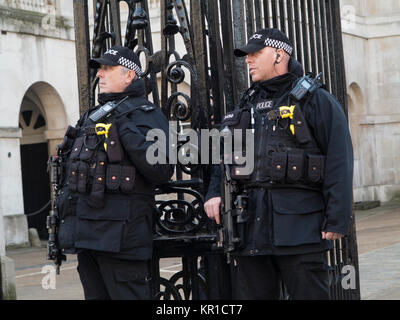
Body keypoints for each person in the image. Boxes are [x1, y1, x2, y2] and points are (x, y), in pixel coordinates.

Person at [204, 28, 353, 300]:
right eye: (246, 55)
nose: (248, 60)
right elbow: (225, 156)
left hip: (300, 228)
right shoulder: (247, 103)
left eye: (255, 54)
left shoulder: (315, 99)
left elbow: (339, 158)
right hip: (250, 229)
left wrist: (337, 218)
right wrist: (214, 193)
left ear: (278, 54)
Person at [55, 45, 174, 299]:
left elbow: (162, 169)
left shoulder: (147, 115)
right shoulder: (92, 116)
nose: (100, 74)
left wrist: (123, 127)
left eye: (107, 68)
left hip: (122, 241)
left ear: (129, 75)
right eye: (100, 69)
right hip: (87, 237)